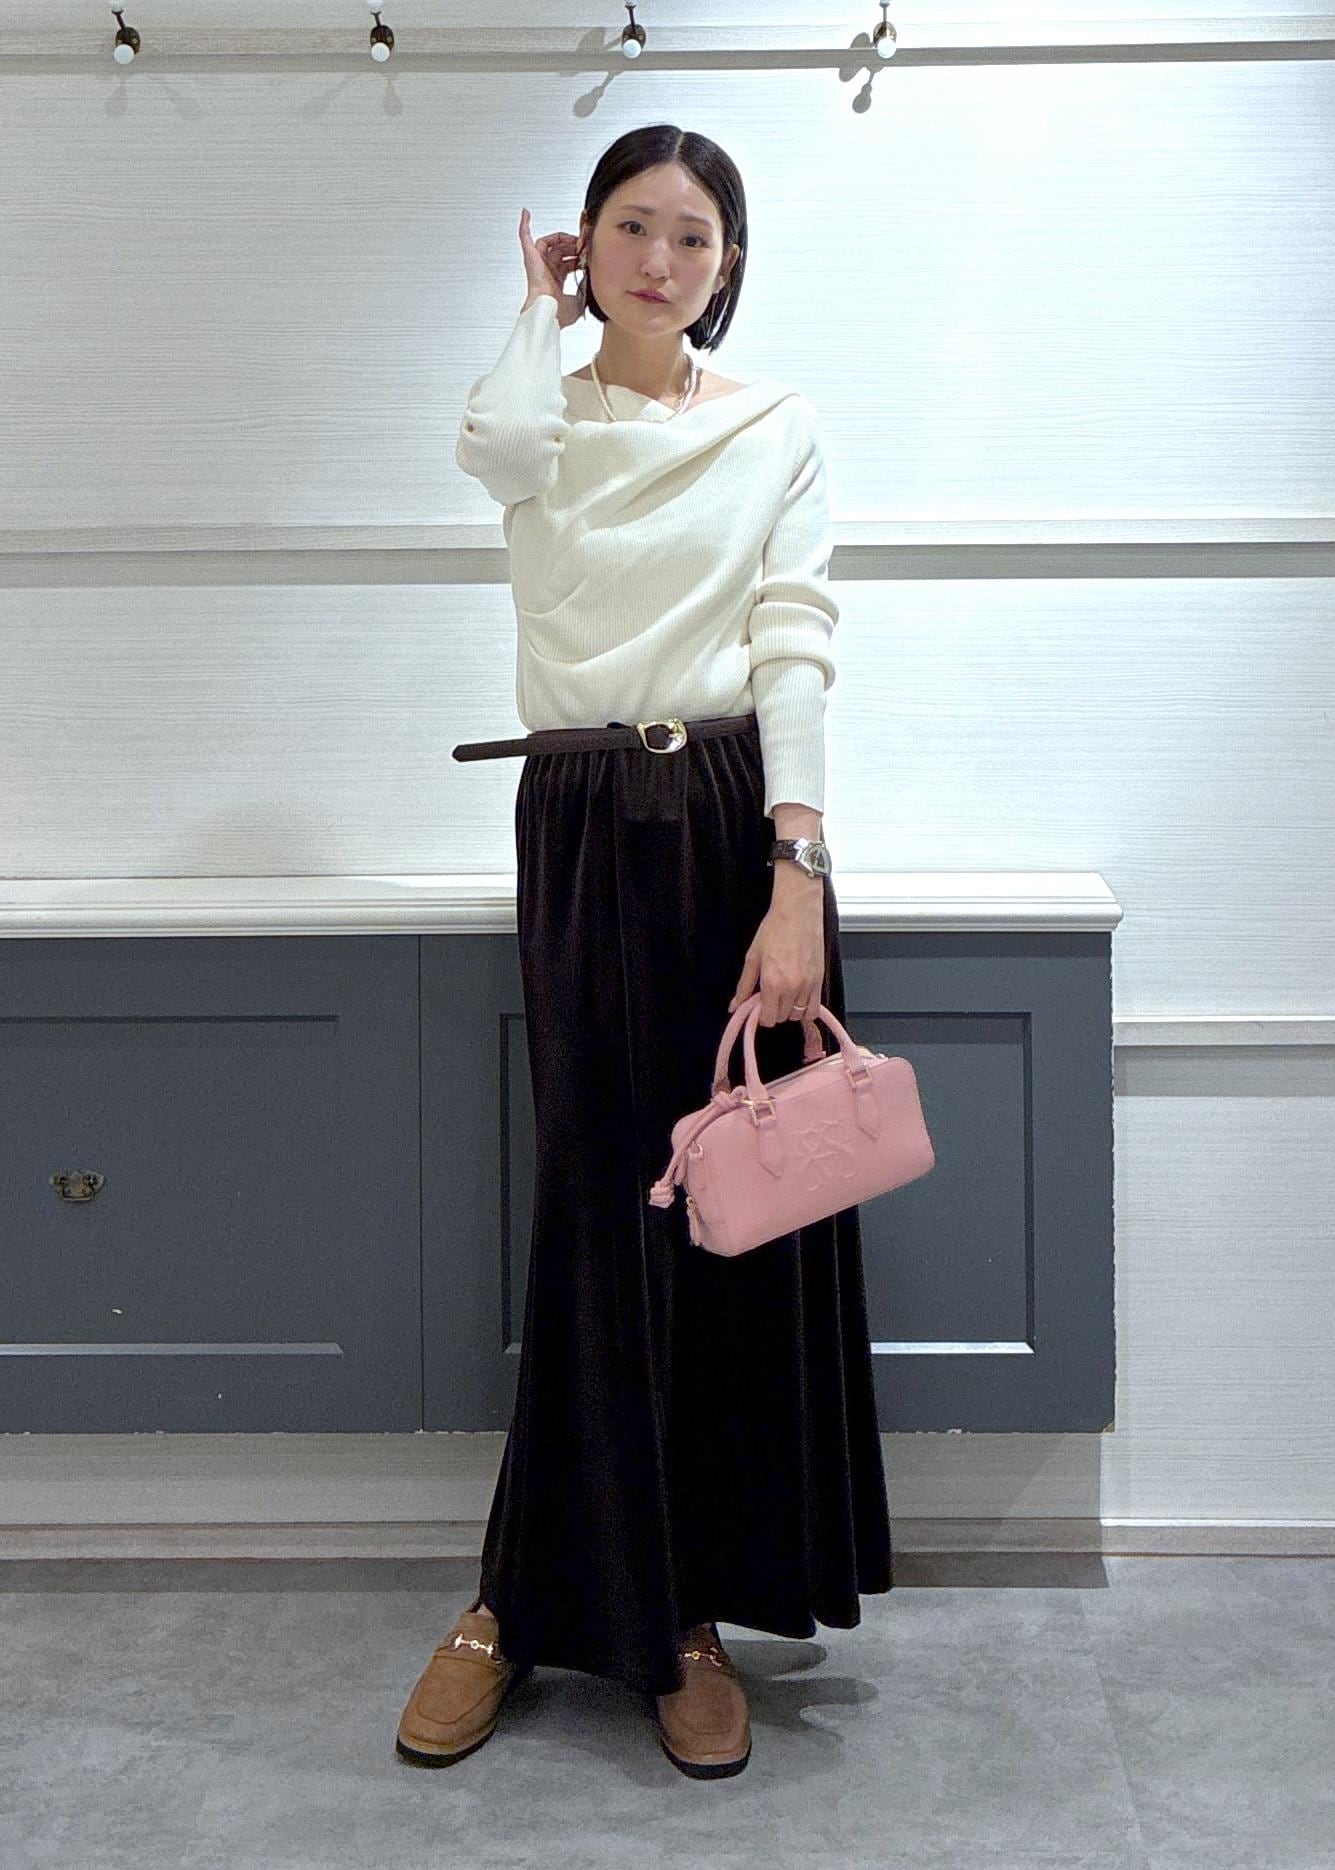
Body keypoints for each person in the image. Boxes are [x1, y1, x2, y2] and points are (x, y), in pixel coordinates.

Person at [396, 123, 892, 1781]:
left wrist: (798, 870)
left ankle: (687, 1616)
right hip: (584, 814)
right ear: (581, 245)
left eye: (692, 236)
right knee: (596, 1214)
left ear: (729, 262)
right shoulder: (543, 417)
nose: (659, 260)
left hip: (739, 816)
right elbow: (488, 446)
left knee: (728, 1228)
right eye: (628, 228)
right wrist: (533, 315)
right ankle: (512, 1602)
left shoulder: (775, 425)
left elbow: (794, 637)